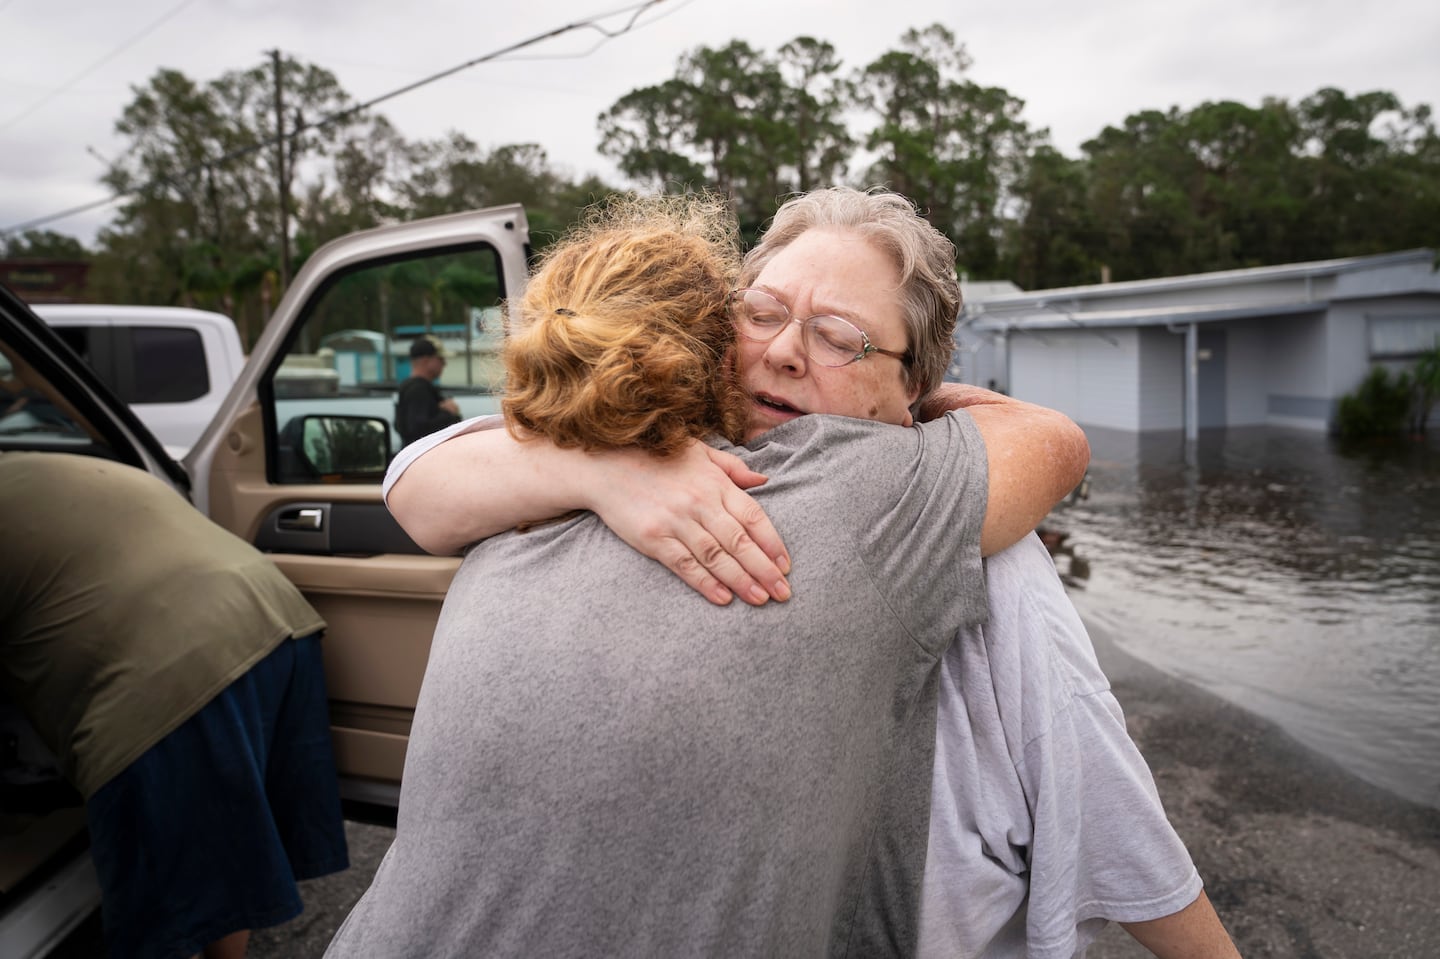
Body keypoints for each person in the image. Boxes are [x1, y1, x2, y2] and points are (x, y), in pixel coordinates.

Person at [384, 188, 1240, 957]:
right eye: (760, 312)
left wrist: (590, 468)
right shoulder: (606, 456)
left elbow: (415, 483)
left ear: (909, 390)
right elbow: (1053, 435)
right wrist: (602, 471)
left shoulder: (553, 467)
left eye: (838, 337)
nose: (787, 351)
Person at [0, 452, 350, 959]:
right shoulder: (50, 462)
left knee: (157, 889)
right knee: (222, 842)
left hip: (167, 668)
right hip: (274, 617)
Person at [395, 333, 460, 447]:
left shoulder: (409, 386)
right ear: (426, 360)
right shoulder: (418, 389)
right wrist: (449, 413)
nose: (444, 364)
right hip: (421, 456)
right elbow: (418, 430)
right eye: (440, 359)